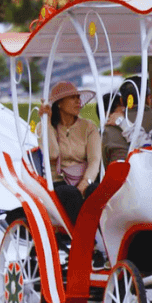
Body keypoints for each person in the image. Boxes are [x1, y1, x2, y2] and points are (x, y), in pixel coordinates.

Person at [39, 81, 101, 226]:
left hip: (85, 178)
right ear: (59, 103)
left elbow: (95, 160)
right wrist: (47, 122)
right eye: (73, 98)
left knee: (96, 190)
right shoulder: (48, 127)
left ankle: (97, 236)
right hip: (59, 182)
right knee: (70, 193)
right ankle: (82, 238)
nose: (78, 102)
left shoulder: (89, 126)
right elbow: (53, 154)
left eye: (78, 98)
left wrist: (85, 182)